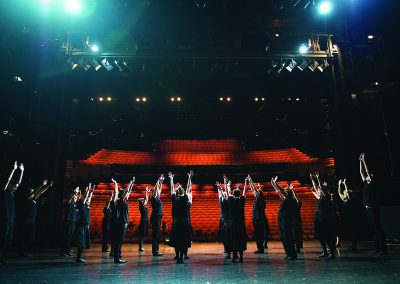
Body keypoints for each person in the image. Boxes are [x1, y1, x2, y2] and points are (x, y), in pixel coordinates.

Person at [359, 153, 388, 255]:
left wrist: (363, 160)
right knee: (373, 229)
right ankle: (377, 248)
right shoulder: (366, 183)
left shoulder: (372, 182)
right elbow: (361, 172)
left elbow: (366, 171)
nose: (368, 175)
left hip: (373, 208)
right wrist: (360, 162)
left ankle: (383, 250)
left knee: (378, 228)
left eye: (370, 175)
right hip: (367, 209)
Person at [21, 179, 53, 256]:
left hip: (33, 219)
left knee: (30, 236)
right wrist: (41, 185)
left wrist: (48, 186)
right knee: (25, 236)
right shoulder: (27, 198)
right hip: (27, 218)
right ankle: (22, 251)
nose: (33, 193)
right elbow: (35, 191)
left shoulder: (33, 199)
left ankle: (27, 251)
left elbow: (40, 192)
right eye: (31, 192)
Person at [1, 161, 24, 264]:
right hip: (5, 218)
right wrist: (14, 169)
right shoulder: (5, 192)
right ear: (9, 186)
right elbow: (8, 180)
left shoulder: (12, 193)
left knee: (9, 240)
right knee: (3, 238)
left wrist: (22, 172)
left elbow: (18, 183)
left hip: (11, 218)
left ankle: (3, 258)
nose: (15, 188)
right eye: (13, 186)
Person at [310, 173, 336, 259]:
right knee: (320, 235)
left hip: (324, 217)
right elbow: (316, 188)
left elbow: (321, 187)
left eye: (320, 189)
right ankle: (325, 251)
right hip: (318, 216)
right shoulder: (319, 197)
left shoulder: (326, 196)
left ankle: (332, 253)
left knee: (327, 235)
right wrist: (312, 179)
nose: (318, 190)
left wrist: (318, 178)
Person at [168, 171, 193, 263]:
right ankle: (181, 257)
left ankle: (178, 256)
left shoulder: (174, 199)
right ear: (183, 193)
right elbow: (188, 189)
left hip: (176, 222)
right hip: (184, 223)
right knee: (183, 241)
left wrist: (171, 179)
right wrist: (189, 178)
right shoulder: (185, 200)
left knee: (176, 240)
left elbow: (172, 189)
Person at [271, 176, 298, 260]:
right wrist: (273, 184)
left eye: (286, 190)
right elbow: (279, 191)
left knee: (288, 237)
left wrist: (276, 183)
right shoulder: (285, 199)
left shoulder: (291, 199)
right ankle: (288, 253)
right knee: (284, 237)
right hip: (282, 220)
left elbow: (281, 190)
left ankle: (292, 255)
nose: (284, 191)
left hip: (287, 220)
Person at [111, 178, 135, 264]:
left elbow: (128, 191)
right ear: (123, 195)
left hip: (123, 223)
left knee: (120, 241)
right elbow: (127, 191)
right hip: (121, 223)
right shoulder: (120, 201)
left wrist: (132, 184)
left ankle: (119, 257)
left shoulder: (123, 201)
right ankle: (117, 258)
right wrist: (130, 182)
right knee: (119, 241)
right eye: (125, 194)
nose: (128, 195)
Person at [227, 177, 247, 263]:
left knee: (234, 239)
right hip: (241, 224)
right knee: (241, 239)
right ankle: (241, 257)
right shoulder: (241, 200)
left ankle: (234, 257)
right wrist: (245, 184)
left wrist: (228, 185)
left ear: (233, 194)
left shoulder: (231, 200)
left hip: (233, 224)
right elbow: (244, 193)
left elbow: (228, 194)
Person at [247, 175, 270, 254]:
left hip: (258, 219)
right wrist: (250, 183)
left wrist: (250, 181)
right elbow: (254, 190)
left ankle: (260, 249)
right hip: (257, 219)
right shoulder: (259, 199)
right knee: (258, 235)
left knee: (259, 235)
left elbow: (254, 190)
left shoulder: (260, 199)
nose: (254, 193)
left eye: (256, 193)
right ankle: (260, 248)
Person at [338, 178, 362, 251]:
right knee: (350, 232)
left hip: (352, 217)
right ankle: (353, 245)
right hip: (347, 217)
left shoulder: (350, 199)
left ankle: (354, 246)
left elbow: (348, 192)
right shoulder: (344, 200)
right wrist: (339, 185)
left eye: (345, 191)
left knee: (353, 231)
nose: (344, 192)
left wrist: (345, 184)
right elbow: (339, 193)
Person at [75, 184, 94, 263]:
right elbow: (85, 197)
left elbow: (88, 198)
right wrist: (88, 190)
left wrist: (91, 192)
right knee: (80, 243)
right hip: (81, 225)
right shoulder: (80, 204)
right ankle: (78, 258)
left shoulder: (85, 204)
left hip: (85, 225)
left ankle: (78, 258)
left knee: (82, 243)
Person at [60, 187, 79, 257]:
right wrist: (74, 192)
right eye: (74, 197)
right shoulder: (68, 203)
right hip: (68, 221)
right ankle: (62, 252)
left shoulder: (75, 204)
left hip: (73, 222)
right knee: (66, 237)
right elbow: (69, 199)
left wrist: (77, 193)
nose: (75, 198)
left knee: (70, 237)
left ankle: (68, 251)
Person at [216, 179, 231, 258]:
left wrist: (220, 188)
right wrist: (226, 186)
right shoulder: (227, 202)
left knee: (225, 236)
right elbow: (223, 194)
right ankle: (227, 248)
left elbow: (221, 194)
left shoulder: (223, 202)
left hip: (224, 220)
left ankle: (226, 248)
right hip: (225, 220)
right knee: (226, 236)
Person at [150, 174, 164, 256]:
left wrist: (161, 181)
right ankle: (155, 251)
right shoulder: (153, 198)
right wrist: (158, 180)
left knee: (157, 235)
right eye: (157, 191)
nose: (159, 191)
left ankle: (156, 250)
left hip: (157, 218)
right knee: (155, 235)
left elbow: (159, 188)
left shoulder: (157, 198)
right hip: (155, 218)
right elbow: (156, 189)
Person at [138, 187, 151, 252]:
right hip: (143, 221)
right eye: (143, 201)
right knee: (142, 235)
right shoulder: (141, 207)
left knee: (143, 235)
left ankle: (141, 247)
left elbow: (147, 199)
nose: (145, 201)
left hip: (146, 221)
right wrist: (146, 191)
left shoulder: (144, 206)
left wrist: (148, 193)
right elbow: (146, 198)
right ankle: (140, 247)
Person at [292, 187, 303, 252]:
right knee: (294, 234)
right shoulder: (292, 204)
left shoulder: (298, 204)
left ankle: (298, 247)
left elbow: (298, 199)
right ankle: (297, 246)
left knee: (297, 234)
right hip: (293, 220)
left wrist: (293, 191)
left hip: (297, 220)